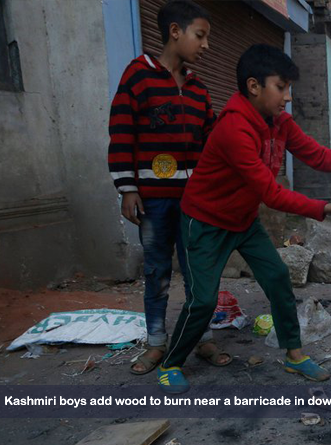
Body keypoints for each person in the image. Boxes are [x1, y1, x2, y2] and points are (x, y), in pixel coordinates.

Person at [157, 44, 331, 394]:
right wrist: (327, 209)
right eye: (281, 87)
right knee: (203, 301)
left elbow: (317, 156)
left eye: (289, 88)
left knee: (277, 278)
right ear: (254, 86)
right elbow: (272, 194)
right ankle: (171, 363)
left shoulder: (279, 122)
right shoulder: (233, 129)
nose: (287, 97)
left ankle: (294, 354)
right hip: (206, 222)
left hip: (242, 220)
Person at [107, 0, 230, 375]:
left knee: (199, 273)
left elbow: (212, 141)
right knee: (157, 272)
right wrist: (128, 188)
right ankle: (157, 344)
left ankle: (201, 338)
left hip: (194, 203)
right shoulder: (137, 76)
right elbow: (122, 133)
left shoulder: (198, 89)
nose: (206, 45)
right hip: (154, 202)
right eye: (200, 35)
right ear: (175, 32)